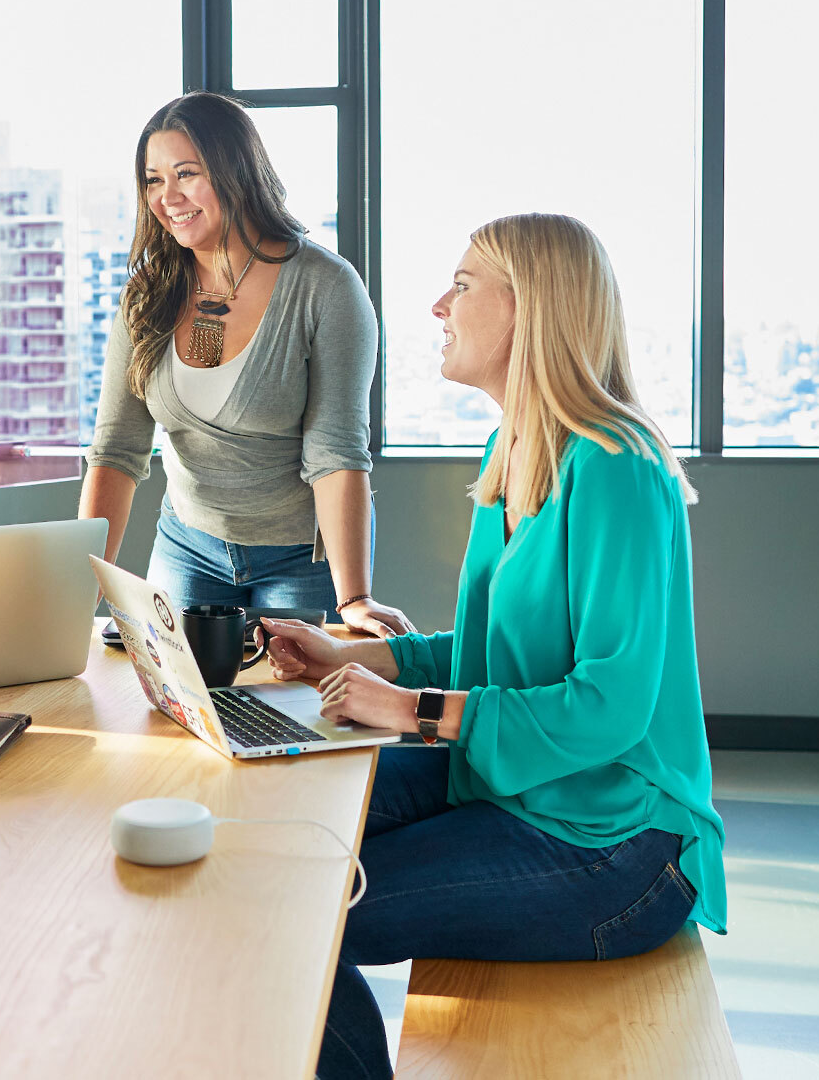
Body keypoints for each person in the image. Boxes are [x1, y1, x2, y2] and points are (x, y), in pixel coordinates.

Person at [258, 213, 728, 1080]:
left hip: (617, 847)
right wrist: (347, 658)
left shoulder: (618, 464)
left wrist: (406, 712)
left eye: (464, 285)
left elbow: (609, 705)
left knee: (303, 908)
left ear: (530, 308)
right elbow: (483, 660)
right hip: (514, 783)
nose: (439, 304)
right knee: (276, 840)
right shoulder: (514, 448)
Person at [80, 92, 410, 635]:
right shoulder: (146, 294)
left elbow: (336, 454)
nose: (168, 197)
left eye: (186, 174)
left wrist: (354, 599)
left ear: (236, 171)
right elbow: (116, 450)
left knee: (290, 716)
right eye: (153, 179)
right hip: (186, 547)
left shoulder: (325, 287)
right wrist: (82, 582)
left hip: (298, 561)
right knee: (179, 713)